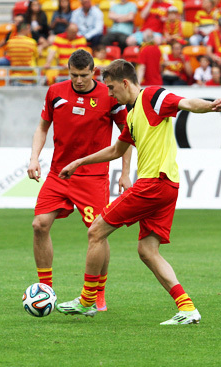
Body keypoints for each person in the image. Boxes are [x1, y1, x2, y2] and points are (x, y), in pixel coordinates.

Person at [55, 59, 221, 323]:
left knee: (96, 231)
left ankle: (88, 300)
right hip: (167, 185)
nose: (109, 94)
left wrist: (210, 105)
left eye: (111, 88)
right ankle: (187, 308)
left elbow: (186, 103)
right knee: (147, 251)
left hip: (154, 183)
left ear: (125, 83)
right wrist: (79, 162)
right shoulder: (133, 114)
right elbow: (116, 150)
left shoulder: (153, 96)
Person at [27, 49, 132, 312]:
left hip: (93, 176)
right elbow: (42, 127)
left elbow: (127, 136)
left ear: (94, 72)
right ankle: (45, 290)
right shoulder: (55, 92)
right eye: (73, 75)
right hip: (59, 173)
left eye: (83, 75)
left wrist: (126, 172)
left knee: (98, 233)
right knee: (39, 224)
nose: (78, 80)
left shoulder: (109, 96)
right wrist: (34, 158)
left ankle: (98, 293)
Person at [4, 21, 38, 85]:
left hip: (15, 77)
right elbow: (36, 57)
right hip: (29, 78)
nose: (29, 31)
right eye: (28, 29)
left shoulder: (9, 43)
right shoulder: (32, 42)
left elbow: (8, 56)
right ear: (23, 30)